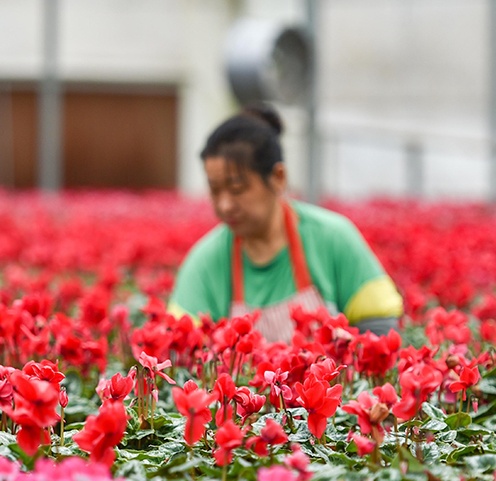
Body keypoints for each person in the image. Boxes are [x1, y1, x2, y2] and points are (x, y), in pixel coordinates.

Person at [168, 105, 404, 343]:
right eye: (215, 190)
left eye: (237, 188)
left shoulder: (333, 238)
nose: (225, 205)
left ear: (278, 178)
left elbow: (379, 328)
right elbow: (180, 344)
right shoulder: (205, 263)